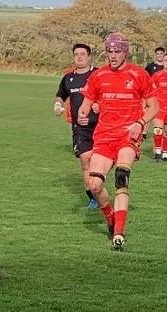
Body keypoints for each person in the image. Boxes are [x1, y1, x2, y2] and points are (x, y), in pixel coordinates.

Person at [77, 32, 159, 250]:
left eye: (117, 51)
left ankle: (118, 234)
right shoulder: (98, 76)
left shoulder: (139, 74)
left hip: (127, 136)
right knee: (94, 184)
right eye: (110, 51)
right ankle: (110, 216)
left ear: (126, 51)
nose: (113, 56)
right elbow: (86, 103)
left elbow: (154, 106)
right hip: (104, 136)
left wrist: (140, 123)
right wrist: (82, 113)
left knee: (121, 176)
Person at [54, 43, 99, 210]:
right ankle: (93, 197)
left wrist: (98, 107)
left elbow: (107, 96)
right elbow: (60, 96)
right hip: (79, 128)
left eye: (83, 54)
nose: (79, 57)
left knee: (100, 162)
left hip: (102, 126)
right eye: (76, 54)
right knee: (86, 160)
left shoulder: (98, 74)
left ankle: (99, 186)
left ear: (89, 57)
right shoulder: (68, 78)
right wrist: (57, 105)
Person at [142, 47, 165, 140]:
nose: (159, 55)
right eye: (158, 54)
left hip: (164, 95)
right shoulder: (150, 66)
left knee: (163, 114)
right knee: (149, 112)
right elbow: (144, 78)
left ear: (164, 54)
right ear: (155, 55)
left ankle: (163, 133)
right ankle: (144, 133)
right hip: (152, 94)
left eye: (161, 53)